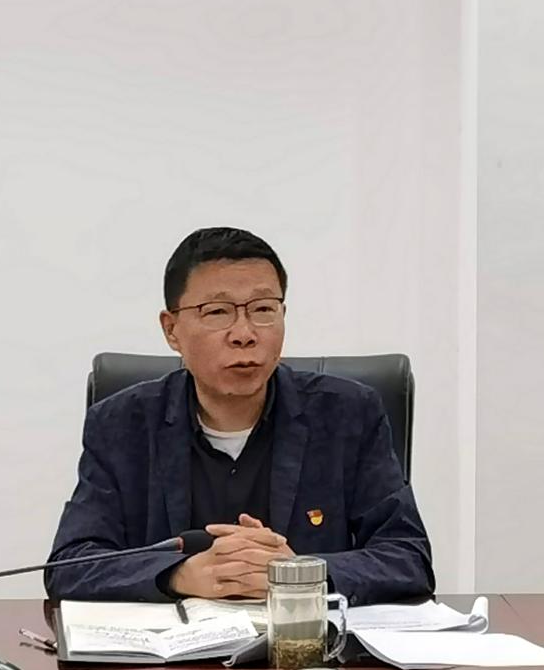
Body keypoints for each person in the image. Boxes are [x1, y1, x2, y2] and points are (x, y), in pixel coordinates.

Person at [45, 227, 434, 605]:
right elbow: (70, 565)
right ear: (171, 329)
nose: (244, 334)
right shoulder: (121, 424)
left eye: (263, 309)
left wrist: (299, 573)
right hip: (172, 648)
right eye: (217, 312)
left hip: (303, 643)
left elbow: (408, 557)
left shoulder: (349, 414)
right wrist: (179, 575)